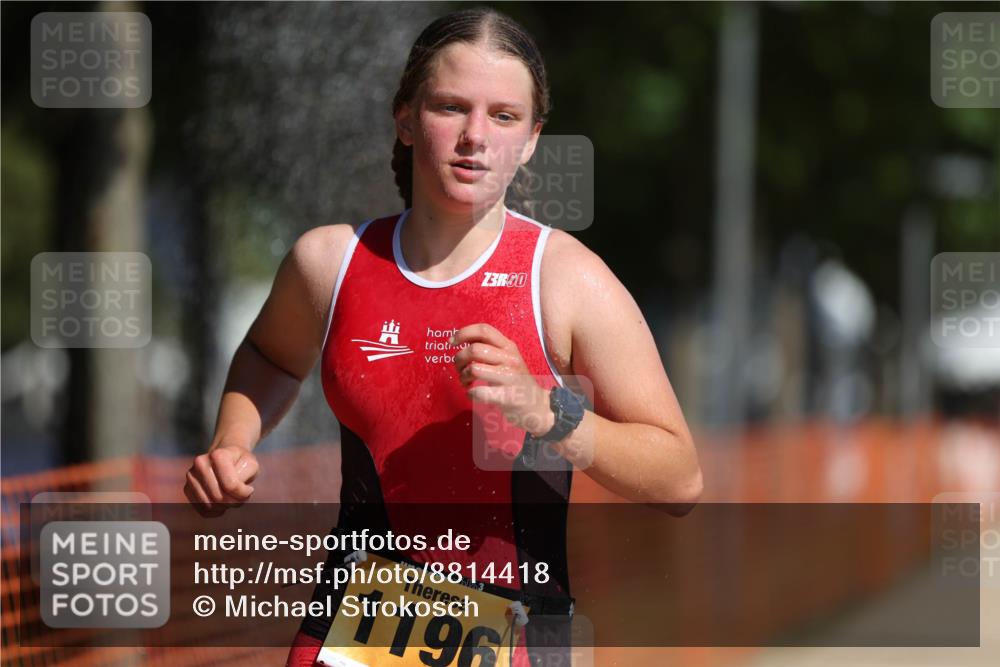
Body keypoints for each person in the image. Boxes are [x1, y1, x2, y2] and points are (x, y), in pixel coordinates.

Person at [183, 7, 702, 666]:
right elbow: (269, 355)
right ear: (406, 119)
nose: (475, 137)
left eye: (504, 116)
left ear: (533, 139)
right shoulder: (330, 263)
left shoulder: (567, 280)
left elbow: (680, 478)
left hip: (513, 638)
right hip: (352, 632)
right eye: (451, 108)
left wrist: (547, 408)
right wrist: (232, 442)